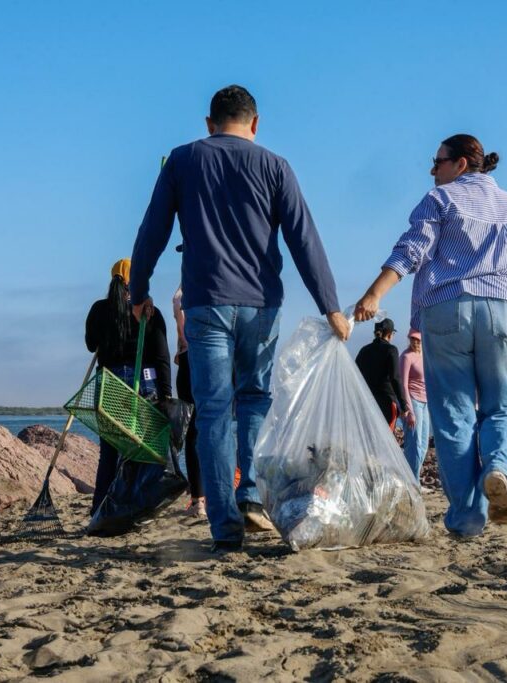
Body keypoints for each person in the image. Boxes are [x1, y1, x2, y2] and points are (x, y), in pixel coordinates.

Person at [128, 85, 351, 553]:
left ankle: (225, 527)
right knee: (254, 399)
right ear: (255, 123)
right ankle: (250, 496)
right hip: (261, 305)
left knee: (213, 412)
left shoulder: (183, 160)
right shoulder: (276, 165)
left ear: (209, 123)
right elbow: (304, 238)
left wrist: (139, 291)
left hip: (206, 302)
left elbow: (152, 230)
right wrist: (329, 305)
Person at [354, 133, 507, 537]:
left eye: (438, 161)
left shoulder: (440, 199)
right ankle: (500, 467)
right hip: (505, 312)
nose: (433, 170)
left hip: (447, 309)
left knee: (453, 417)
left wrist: (375, 294)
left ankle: (467, 518)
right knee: (501, 408)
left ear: (460, 163)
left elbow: (411, 250)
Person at [84, 258, 172, 514]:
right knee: (144, 451)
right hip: (142, 384)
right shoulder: (149, 311)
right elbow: (161, 357)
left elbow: (90, 345)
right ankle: (136, 506)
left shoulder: (99, 309)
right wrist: (166, 393)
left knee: (109, 451)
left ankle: (100, 508)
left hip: (109, 384)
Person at [172, 282, 206, 517]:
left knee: (193, 432)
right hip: (213, 360)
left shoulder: (184, 290)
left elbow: (178, 305)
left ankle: (198, 501)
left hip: (189, 360)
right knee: (214, 428)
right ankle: (214, 496)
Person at [355, 319, 410, 432]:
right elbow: (395, 378)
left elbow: (355, 375)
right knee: (386, 437)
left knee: (369, 435)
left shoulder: (364, 350)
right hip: (386, 401)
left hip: (366, 401)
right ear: (390, 334)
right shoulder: (391, 350)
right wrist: (403, 405)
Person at [399, 328, 430, 481]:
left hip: (426, 402)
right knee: (414, 444)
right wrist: (409, 411)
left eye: (418, 339)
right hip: (413, 401)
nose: (415, 342)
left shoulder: (425, 354)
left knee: (423, 444)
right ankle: (413, 482)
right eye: (412, 339)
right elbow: (403, 385)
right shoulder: (406, 357)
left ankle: (411, 478)